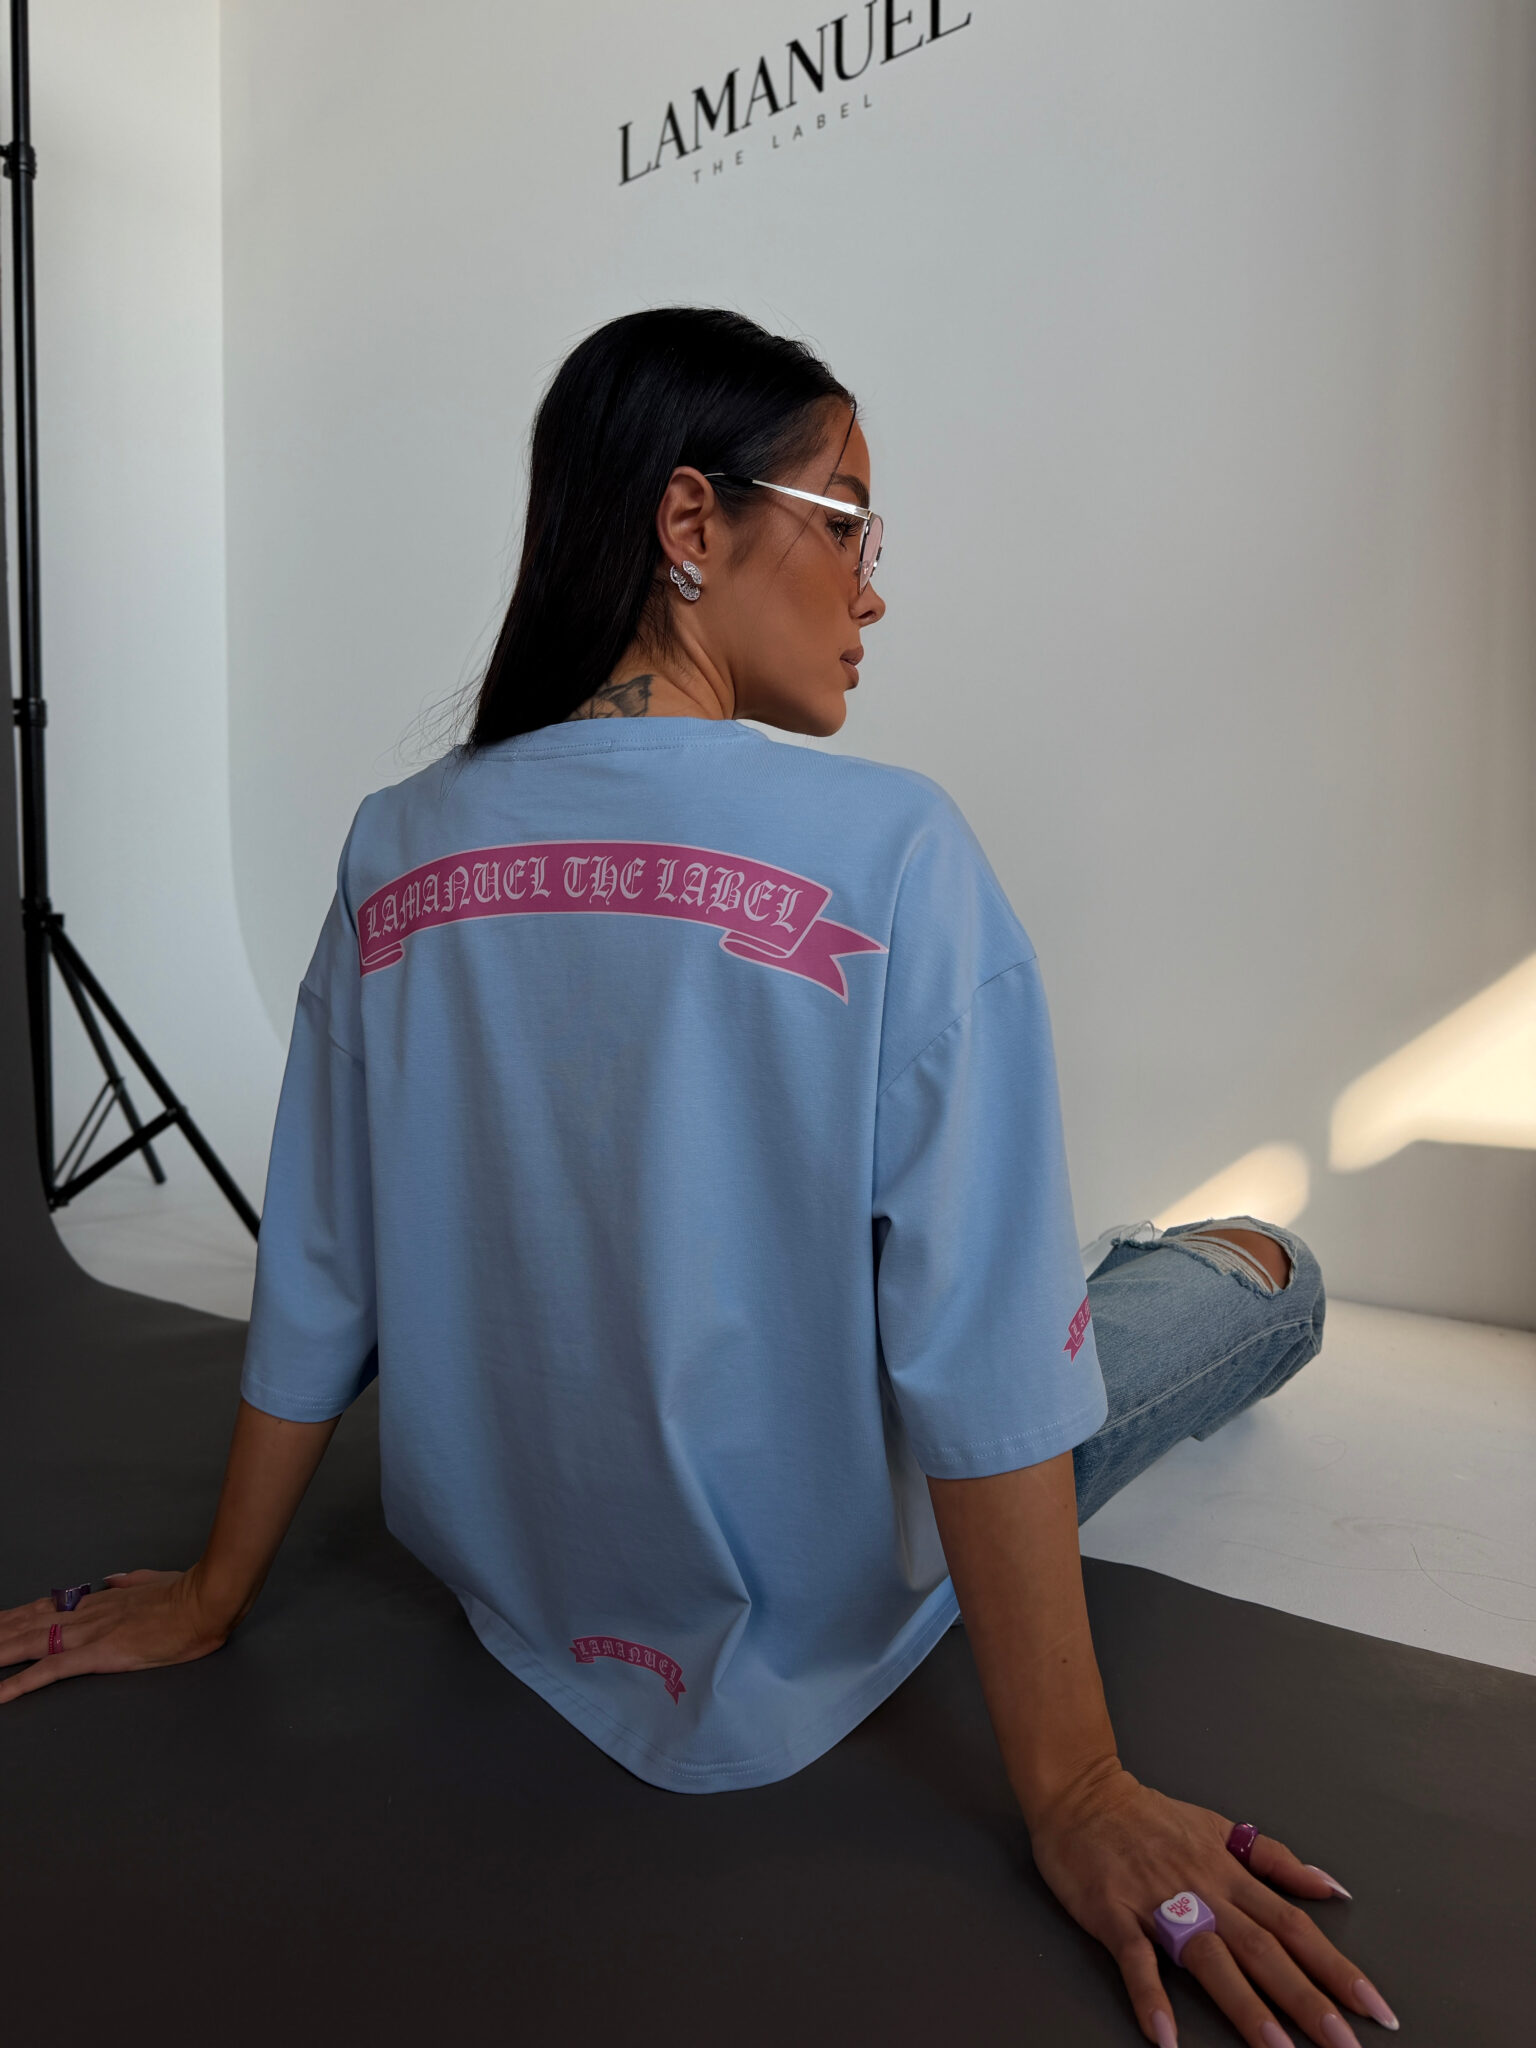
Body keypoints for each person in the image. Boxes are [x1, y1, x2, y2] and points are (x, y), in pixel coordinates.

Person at [0, 309, 1395, 2047]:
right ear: (688, 521)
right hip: (824, 1572)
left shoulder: (395, 842)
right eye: (848, 520)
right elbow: (976, 1355)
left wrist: (217, 1593)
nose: (875, 588)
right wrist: (1078, 1787)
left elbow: (323, 1266)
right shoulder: (894, 849)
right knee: (1249, 1282)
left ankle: (1128, 1261)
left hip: (513, 1584)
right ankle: (1213, 1257)